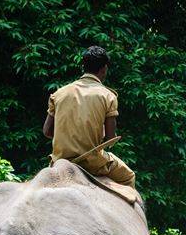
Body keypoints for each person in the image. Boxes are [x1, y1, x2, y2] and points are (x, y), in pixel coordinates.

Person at [42, 46, 135, 188]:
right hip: (92, 163)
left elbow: (47, 131)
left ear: (83, 66)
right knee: (128, 176)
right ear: (104, 69)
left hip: (59, 162)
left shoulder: (59, 93)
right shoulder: (107, 96)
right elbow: (110, 139)